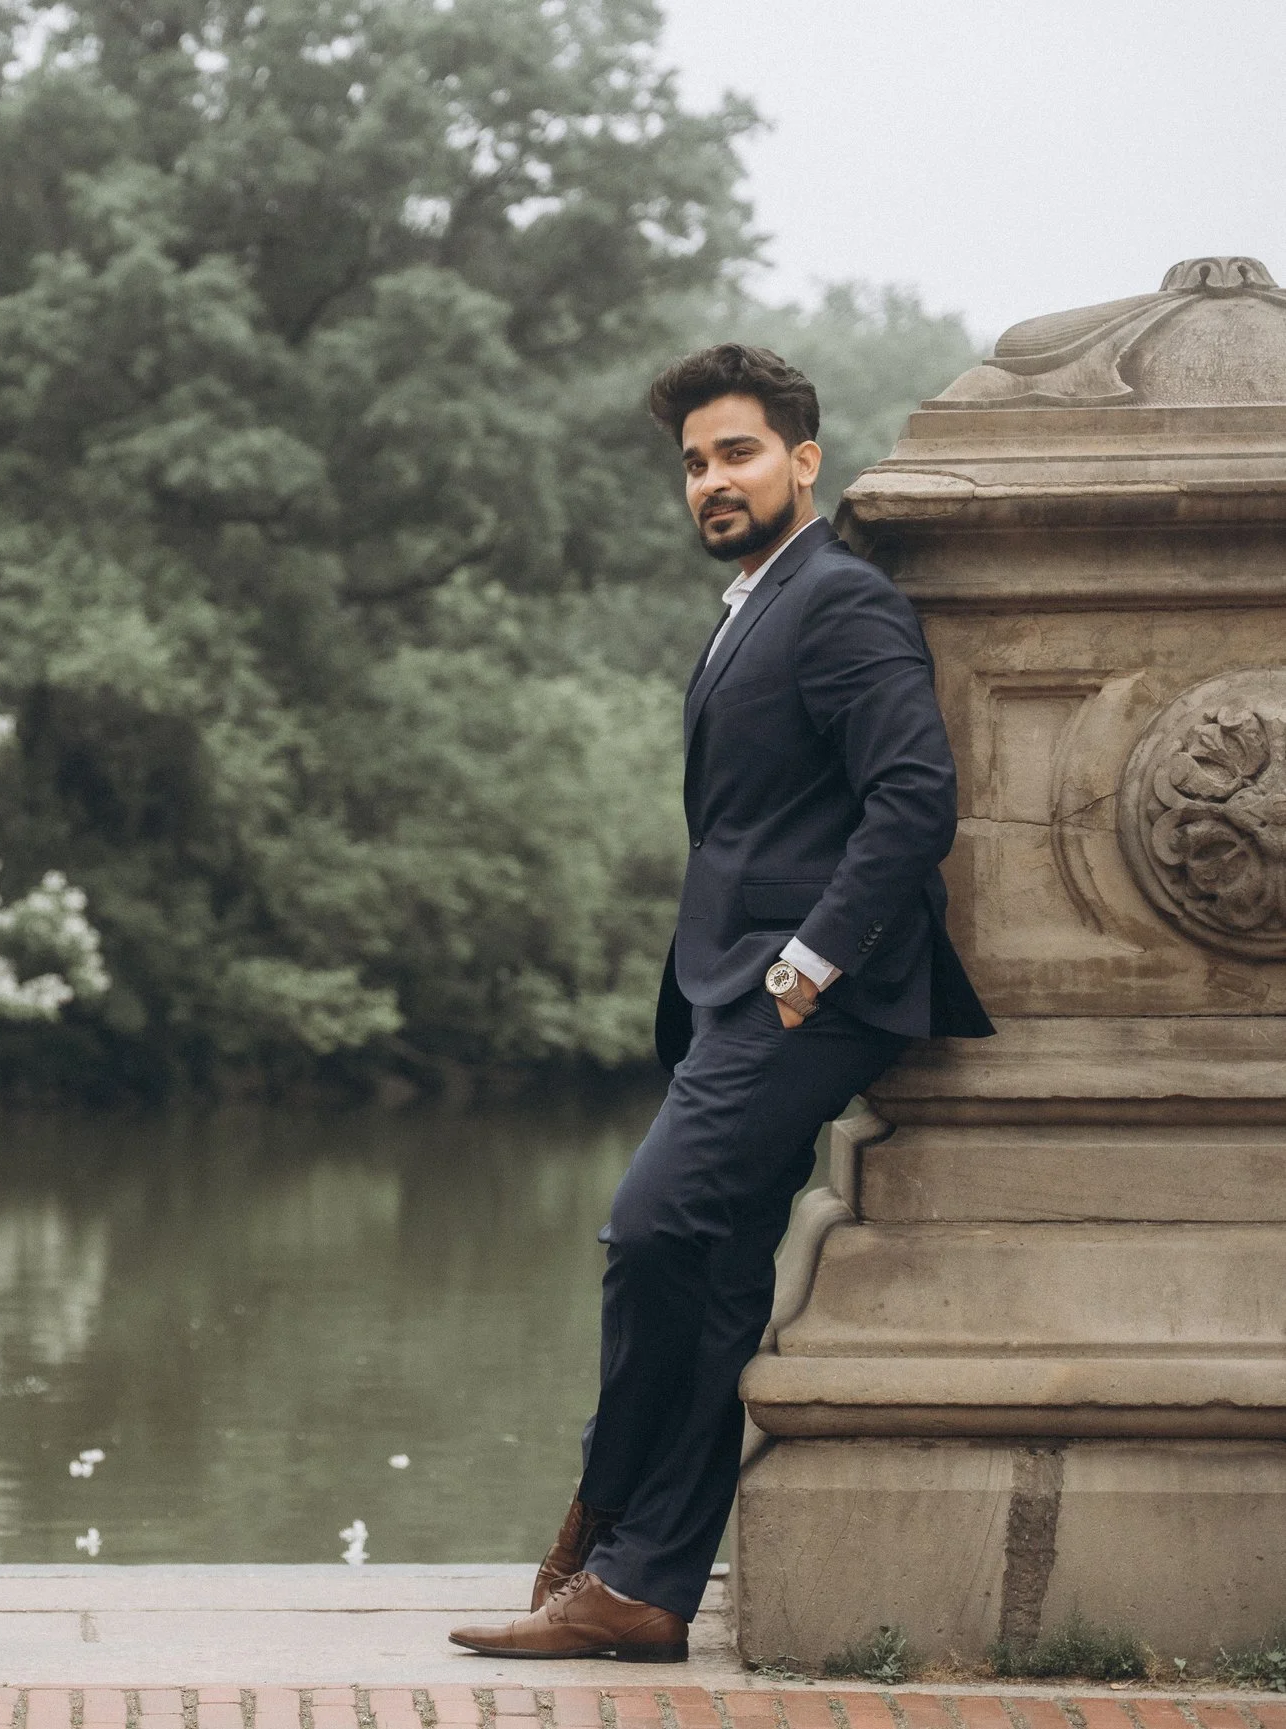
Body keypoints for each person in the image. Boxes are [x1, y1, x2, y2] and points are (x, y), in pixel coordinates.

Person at [448, 346, 992, 1663]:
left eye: (737, 452)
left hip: (808, 993)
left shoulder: (842, 601)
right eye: (694, 461)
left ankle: (606, 1505)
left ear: (805, 461)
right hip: (731, 994)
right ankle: (644, 1586)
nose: (711, 480)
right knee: (706, 1282)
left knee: (650, 1228)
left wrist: (811, 964)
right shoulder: (757, 601)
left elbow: (913, 795)